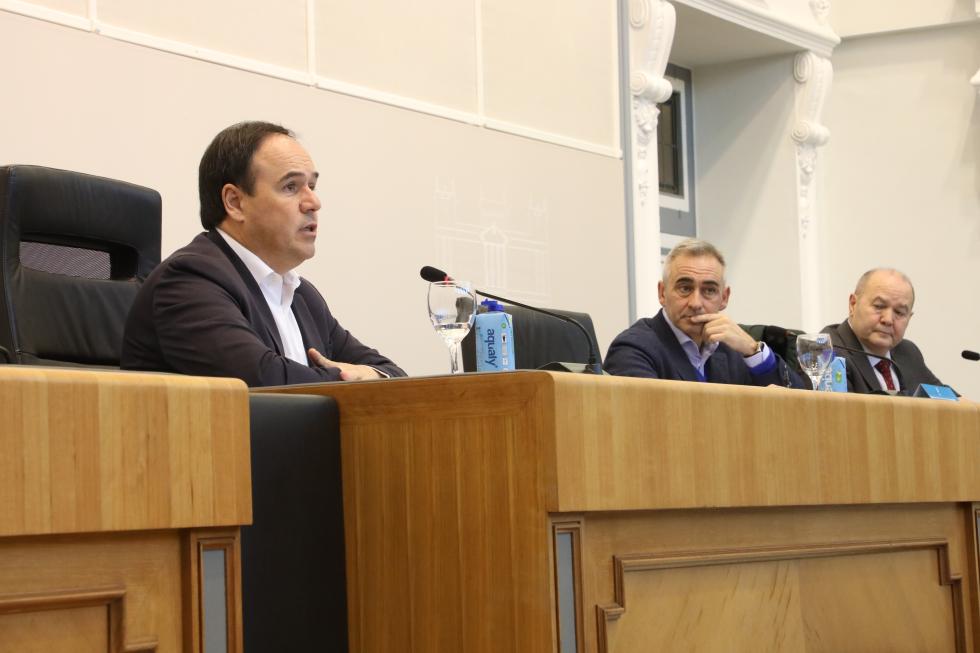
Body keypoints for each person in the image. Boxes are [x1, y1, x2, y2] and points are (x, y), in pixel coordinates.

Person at [122, 121, 405, 387]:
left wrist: (373, 374)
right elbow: (265, 382)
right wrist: (350, 376)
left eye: (312, 186)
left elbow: (394, 376)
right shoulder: (189, 281)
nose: (313, 202)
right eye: (291, 187)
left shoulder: (301, 296)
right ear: (235, 202)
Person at [604, 239, 803, 387]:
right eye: (685, 288)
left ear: (724, 298)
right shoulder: (633, 348)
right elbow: (651, 419)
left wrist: (753, 351)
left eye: (709, 290)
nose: (696, 303)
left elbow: (797, 406)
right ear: (662, 293)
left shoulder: (732, 348)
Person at [822, 268, 941, 394]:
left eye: (899, 312)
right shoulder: (827, 353)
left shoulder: (908, 352)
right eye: (879, 306)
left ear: (909, 318)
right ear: (853, 304)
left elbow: (947, 400)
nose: (888, 319)